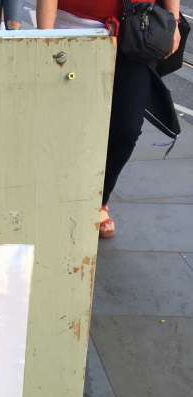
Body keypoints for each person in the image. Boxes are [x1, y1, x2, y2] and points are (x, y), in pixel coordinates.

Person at [36, 0, 181, 237]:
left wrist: (173, 20)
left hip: (138, 31)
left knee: (127, 129)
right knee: (69, 125)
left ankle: (99, 199)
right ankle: (61, 192)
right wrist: (45, 38)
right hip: (75, 31)